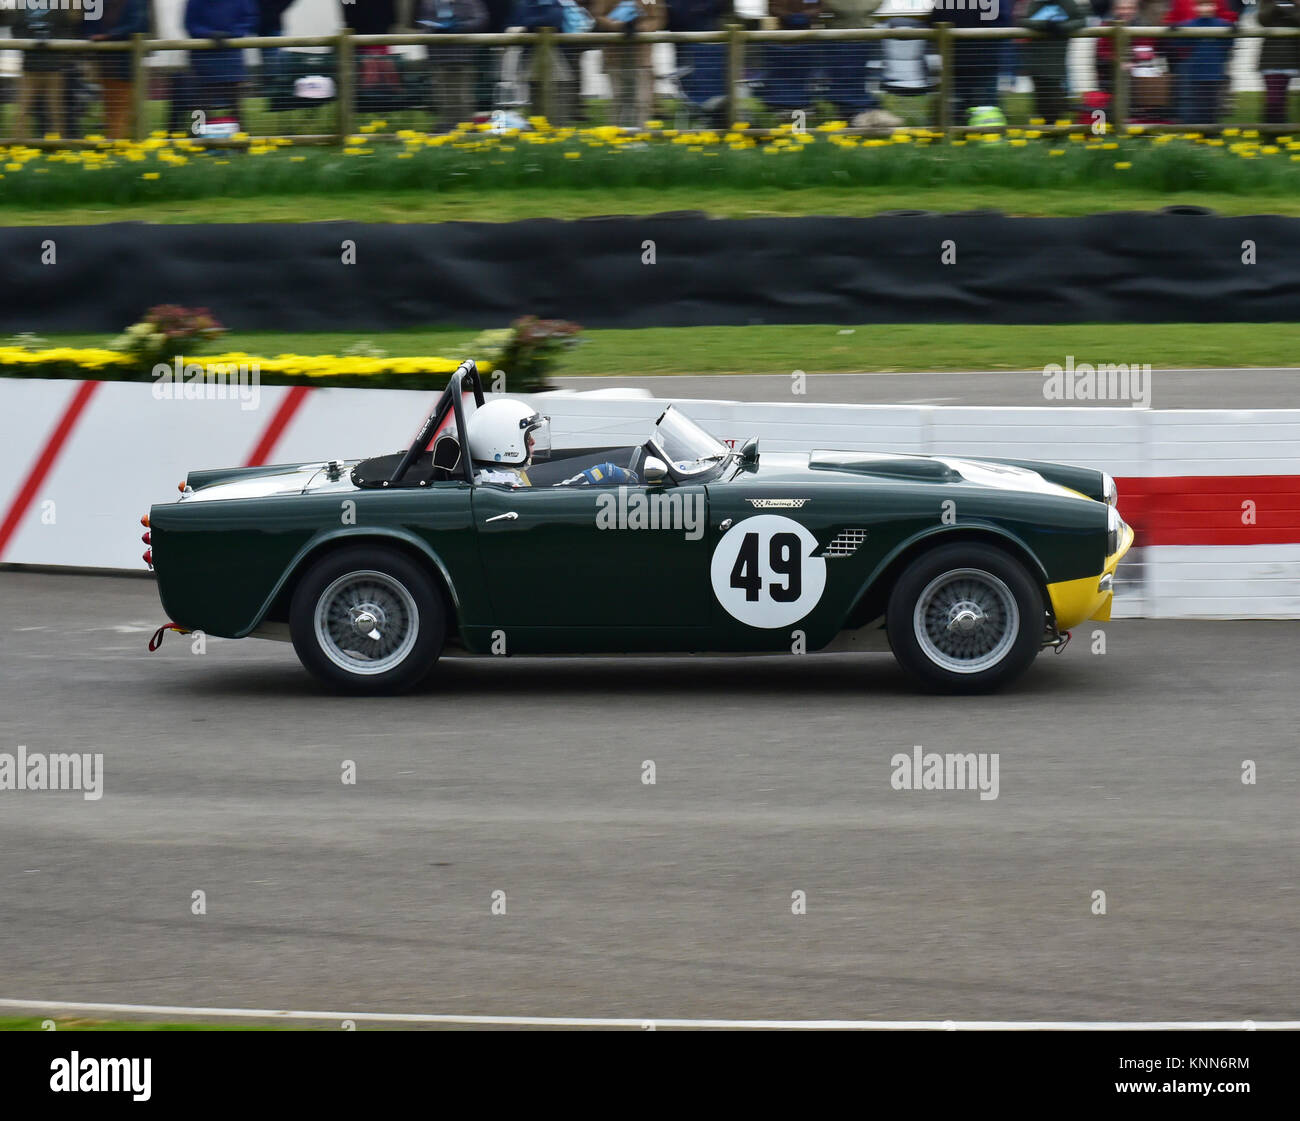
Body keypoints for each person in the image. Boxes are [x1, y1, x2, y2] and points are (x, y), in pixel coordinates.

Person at [185, 0, 259, 136]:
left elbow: (250, 19)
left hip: (231, 55)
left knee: (235, 103)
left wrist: (232, 34)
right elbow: (191, 24)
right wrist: (209, 34)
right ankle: (196, 137)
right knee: (201, 103)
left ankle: (240, 137)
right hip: (203, 57)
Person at [13, 1, 81, 141]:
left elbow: (66, 29)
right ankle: (18, 143)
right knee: (23, 109)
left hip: (54, 67)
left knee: (55, 109)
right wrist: (30, 41)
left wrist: (55, 47)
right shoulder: (23, 5)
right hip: (30, 67)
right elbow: (16, 28)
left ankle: (58, 145)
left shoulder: (59, 6)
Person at [592, 0, 666, 128]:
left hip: (642, 57)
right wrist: (618, 26)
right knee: (618, 97)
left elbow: (658, 18)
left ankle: (641, 132)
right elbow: (598, 16)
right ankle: (614, 132)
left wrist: (639, 29)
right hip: (614, 55)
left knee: (642, 99)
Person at [419, 0, 489, 129]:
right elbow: (424, 24)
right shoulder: (430, 3)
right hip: (438, 57)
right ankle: (446, 128)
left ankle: (465, 128)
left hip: (463, 56)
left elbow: (480, 20)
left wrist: (459, 26)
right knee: (442, 95)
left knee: (463, 95)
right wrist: (434, 28)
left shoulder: (472, 3)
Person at [1018, 0, 1086, 125]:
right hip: (1036, 59)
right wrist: (1044, 25)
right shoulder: (1035, 3)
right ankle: (1045, 128)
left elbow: (1082, 21)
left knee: (1054, 95)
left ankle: (1055, 127)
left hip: (1057, 59)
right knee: (1041, 95)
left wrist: (1062, 27)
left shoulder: (1069, 4)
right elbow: (1023, 21)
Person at [90, 0, 150, 139]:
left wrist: (109, 36)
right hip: (106, 63)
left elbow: (138, 25)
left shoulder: (136, 4)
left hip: (124, 63)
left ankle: (117, 143)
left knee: (121, 107)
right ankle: (116, 141)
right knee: (111, 107)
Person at [1170, 0, 1232, 123]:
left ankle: (1212, 133)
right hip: (1196, 73)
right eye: (1202, 5)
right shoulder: (1191, 25)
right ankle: (1199, 133)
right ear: (1196, 7)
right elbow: (1180, 43)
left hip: (1214, 74)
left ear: (1214, 6)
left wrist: (1232, 31)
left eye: (1208, 5)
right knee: (1197, 105)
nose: (1205, 8)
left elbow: (1228, 44)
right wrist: (1174, 31)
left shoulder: (1222, 25)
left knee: (1212, 105)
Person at [1257, 0, 1300, 123]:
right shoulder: (1268, 2)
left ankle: (1278, 131)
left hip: (1291, 57)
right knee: (1274, 99)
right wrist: (1276, 5)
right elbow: (1262, 20)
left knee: (1281, 98)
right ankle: (1271, 131)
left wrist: (1293, 6)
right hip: (1271, 58)